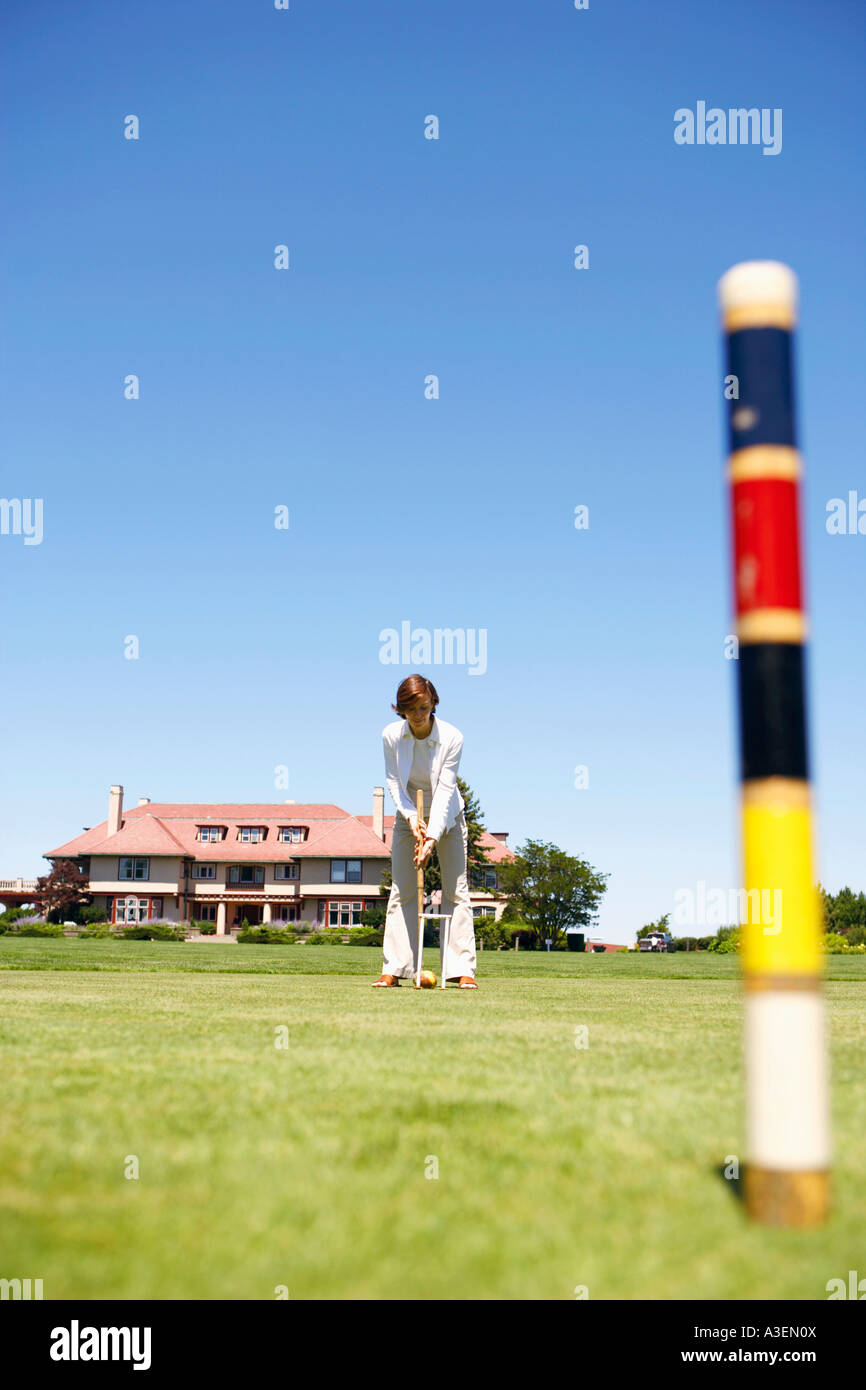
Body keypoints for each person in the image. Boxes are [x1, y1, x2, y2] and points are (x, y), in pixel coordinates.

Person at [372, 674, 478, 989]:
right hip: (409, 816)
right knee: (402, 890)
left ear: (433, 703)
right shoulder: (391, 736)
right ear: (400, 710)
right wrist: (408, 816)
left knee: (456, 890)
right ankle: (395, 968)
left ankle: (461, 971)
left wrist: (432, 835)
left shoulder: (452, 737)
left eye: (424, 707)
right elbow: (393, 781)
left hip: (448, 817)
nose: (418, 715)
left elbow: (445, 790)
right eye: (411, 709)